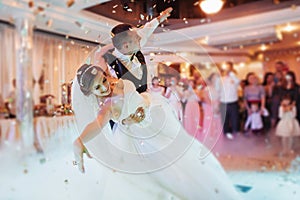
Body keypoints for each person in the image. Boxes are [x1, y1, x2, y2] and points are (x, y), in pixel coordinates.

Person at [72, 64, 242, 199]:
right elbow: (98, 123)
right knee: (158, 174)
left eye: (103, 80)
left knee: (185, 160)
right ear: (91, 93)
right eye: (97, 88)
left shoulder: (117, 82)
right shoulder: (107, 106)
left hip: (154, 122)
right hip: (139, 138)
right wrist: (80, 140)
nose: (104, 86)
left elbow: (138, 97)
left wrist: (144, 109)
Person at [220, 62, 240, 139]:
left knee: (235, 119)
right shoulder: (221, 79)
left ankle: (236, 134)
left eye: (229, 68)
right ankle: (226, 134)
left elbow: (238, 81)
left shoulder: (234, 78)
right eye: (226, 68)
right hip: (223, 103)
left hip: (233, 102)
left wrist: (231, 73)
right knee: (225, 120)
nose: (227, 69)